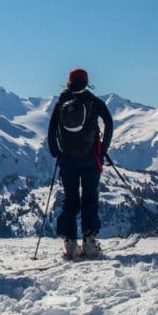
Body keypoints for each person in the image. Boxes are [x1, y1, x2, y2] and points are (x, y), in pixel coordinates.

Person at [47, 68, 113, 259]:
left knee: (70, 200)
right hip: (90, 158)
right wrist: (103, 149)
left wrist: (56, 153)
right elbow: (109, 121)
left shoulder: (62, 102)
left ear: (68, 81)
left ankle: (70, 244)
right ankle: (90, 243)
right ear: (86, 81)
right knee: (90, 198)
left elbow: (51, 129)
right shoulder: (92, 100)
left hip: (67, 159)